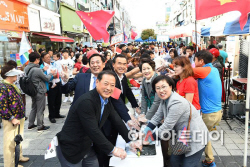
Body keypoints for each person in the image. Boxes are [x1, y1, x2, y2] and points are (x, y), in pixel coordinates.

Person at [56, 71, 142, 167]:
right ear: (97, 82)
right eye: (105, 84)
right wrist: (114, 150)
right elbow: (93, 130)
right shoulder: (87, 101)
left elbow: (117, 121)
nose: (108, 88)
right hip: (72, 148)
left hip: (87, 147)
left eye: (112, 85)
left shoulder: (106, 100)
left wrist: (130, 141)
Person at [143, 75, 208, 167]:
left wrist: (149, 139)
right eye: (158, 88)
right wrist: (145, 131)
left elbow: (167, 126)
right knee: (174, 163)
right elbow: (157, 116)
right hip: (181, 138)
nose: (161, 90)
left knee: (188, 164)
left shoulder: (177, 102)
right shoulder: (165, 99)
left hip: (195, 138)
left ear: (170, 86)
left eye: (163, 87)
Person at [193, 50, 222, 167]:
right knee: (205, 135)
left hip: (209, 114)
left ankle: (209, 161)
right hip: (218, 113)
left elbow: (184, 71)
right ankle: (209, 160)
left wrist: (168, 66)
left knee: (199, 136)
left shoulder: (203, 70)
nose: (194, 63)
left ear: (201, 61)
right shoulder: (214, 69)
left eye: (195, 60)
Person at [0, 64, 30, 167]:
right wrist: (11, 118)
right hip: (11, 120)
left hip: (18, 117)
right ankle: (10, 165)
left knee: (18, 138)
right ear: (9, 75)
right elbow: (2, 106)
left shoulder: (11, 85)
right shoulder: (3, 87)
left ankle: (18, 157)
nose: (16, 76)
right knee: (9, 143)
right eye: (14, 74)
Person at [24, 52, 56, 132]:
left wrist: (42, 70)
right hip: (39, 91)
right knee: (40, 109)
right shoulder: (37, 69)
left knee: (34, 108)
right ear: (36, 60)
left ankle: (30, 124)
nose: (39, 61)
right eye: (38, 59)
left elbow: (35, 74)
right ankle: (40, 126)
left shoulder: (27, 67)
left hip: (32, 91)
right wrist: (51, 74)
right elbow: (47, 78)